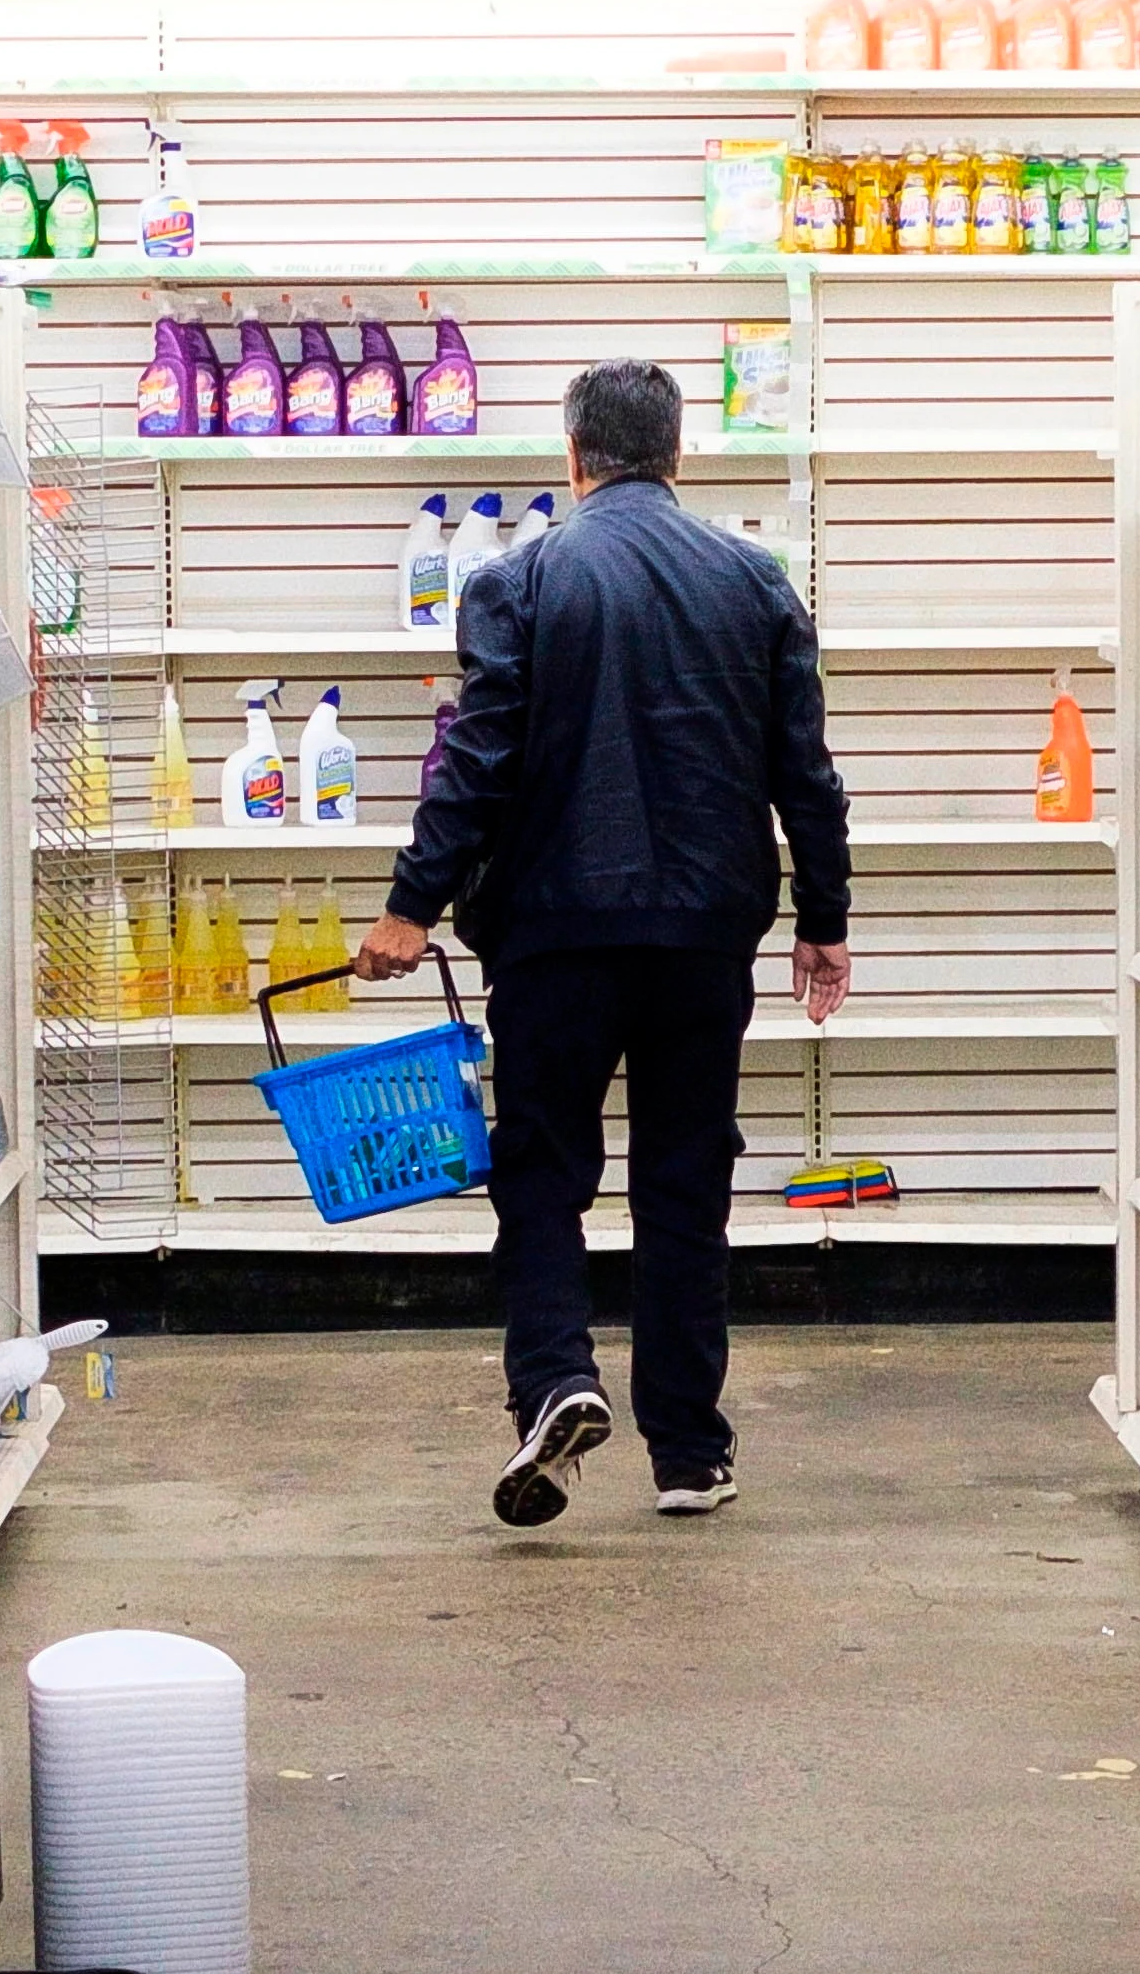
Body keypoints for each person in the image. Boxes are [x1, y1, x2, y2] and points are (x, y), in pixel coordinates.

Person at [356, 359, 851, 1527]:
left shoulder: (521, 581)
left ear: (572, 457)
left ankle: (557, 1388)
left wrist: (410, 902)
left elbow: (470, 764)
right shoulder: (756, 582)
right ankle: (688, 1454)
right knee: (685, 1184)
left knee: (541, 1177)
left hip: (550, 938)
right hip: (700, 937)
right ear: (677, 456)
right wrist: (824, 921)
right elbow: (807, 778)